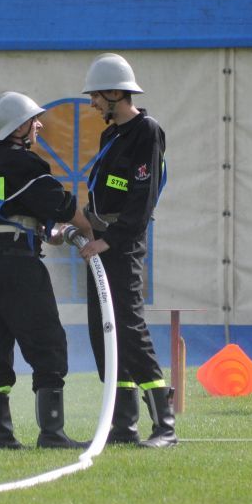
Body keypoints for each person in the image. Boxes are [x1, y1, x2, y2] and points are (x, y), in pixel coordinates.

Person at [0, 91, 94, 450]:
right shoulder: (24, 163)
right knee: (48, 342)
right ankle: (52, 434)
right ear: (17, 128)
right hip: (17, 264)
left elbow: (13, 211)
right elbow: (61, 203)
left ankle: (1, 437)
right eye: (32, 121)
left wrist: (48, 232)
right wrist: (91, 230)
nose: (38, 125)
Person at [78, 53, 176, 448]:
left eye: (96, 96)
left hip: (122, 244)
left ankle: (165, 426)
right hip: (100, 242)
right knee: (104, 333)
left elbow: (142, 198)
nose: (92, 104)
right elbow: (105, 193)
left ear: (116, 93)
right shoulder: (111, 136)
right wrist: (82, 226)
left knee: (129, 329)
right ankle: (123, 426)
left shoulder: (146, 132)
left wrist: (110, 239)